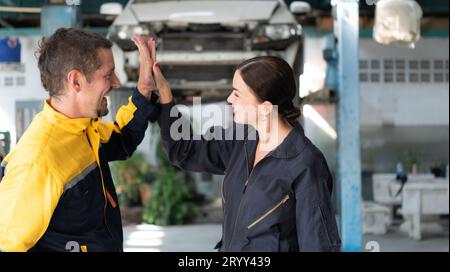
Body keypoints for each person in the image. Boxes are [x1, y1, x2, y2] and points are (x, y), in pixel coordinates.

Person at [150, 54, 342, 251]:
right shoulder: (240, 139)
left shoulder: (305, 164)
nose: (229, 99)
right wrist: (164, 94)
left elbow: (318, 245)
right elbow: (184, 150)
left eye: (237, 93)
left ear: (266, 108)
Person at [0, 28, 159, 252]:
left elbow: (123, 139)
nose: (116, 83)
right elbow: (7, 245)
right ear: (76, 81)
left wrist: (144, 89)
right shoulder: (37, 162)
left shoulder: (82, 130)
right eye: (108, 74)